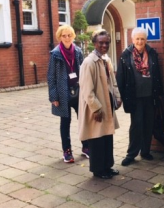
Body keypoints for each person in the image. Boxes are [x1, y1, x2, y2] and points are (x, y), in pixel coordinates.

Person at [116, 27, 163, 166]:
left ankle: (145, 151)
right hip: (134, 96)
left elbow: (158, 74)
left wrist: (159, 94)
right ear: (133, 39)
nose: (140, 41)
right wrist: (120, 96)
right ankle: (131, 154)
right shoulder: (126, 55)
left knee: (148, 124)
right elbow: (121, 77)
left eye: (142, 38)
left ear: (146, 40)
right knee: (136, 125)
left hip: (150, 95)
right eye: (137, 38)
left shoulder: (152, 53)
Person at [78, 29, 122, 179]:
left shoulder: (106, 60)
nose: (104, 45)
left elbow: (112, 81)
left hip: (107, 102)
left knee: (107, 136)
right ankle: (98, 170)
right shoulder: (89, 62)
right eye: (101, 42)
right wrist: (96, 108)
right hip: (96, 106)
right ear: (94, 43)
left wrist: (117, 96)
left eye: (107, 43)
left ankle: (107, 166)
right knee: (96, 138)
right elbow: (86, 89)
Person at [47, 24, 89, 163]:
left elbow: (84, 71)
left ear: (73, 36)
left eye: (69, 35)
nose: (67, 38)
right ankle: (67, 151)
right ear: (59, 37)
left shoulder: (78, 51)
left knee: (83, 120)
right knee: (65, 123)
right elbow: (51, 77)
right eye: (64, 35)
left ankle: (86, 147)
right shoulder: (55, 54)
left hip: (78, 91)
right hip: (62, 93)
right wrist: (54, 97)